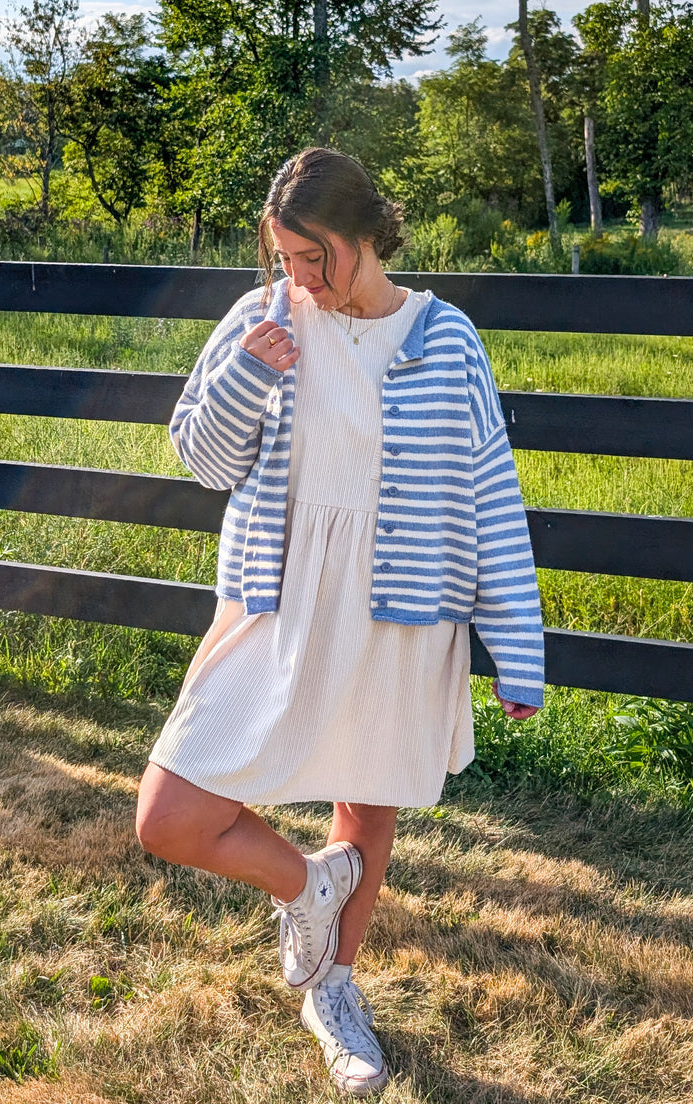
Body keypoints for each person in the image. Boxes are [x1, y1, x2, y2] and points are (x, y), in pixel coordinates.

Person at [135, 147, 544, 1096]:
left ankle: (334, 992)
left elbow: (489, 493)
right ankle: (310, 887)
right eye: (285, 258)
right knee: (168, 815)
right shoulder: (264, 317)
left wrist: (517, 649)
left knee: (367, 806)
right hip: (276, 596)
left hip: (401, 605)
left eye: (315, 258)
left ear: (366, 236)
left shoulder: (448, 340)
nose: (300, 279)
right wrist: (248, 373)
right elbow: (202, 458)